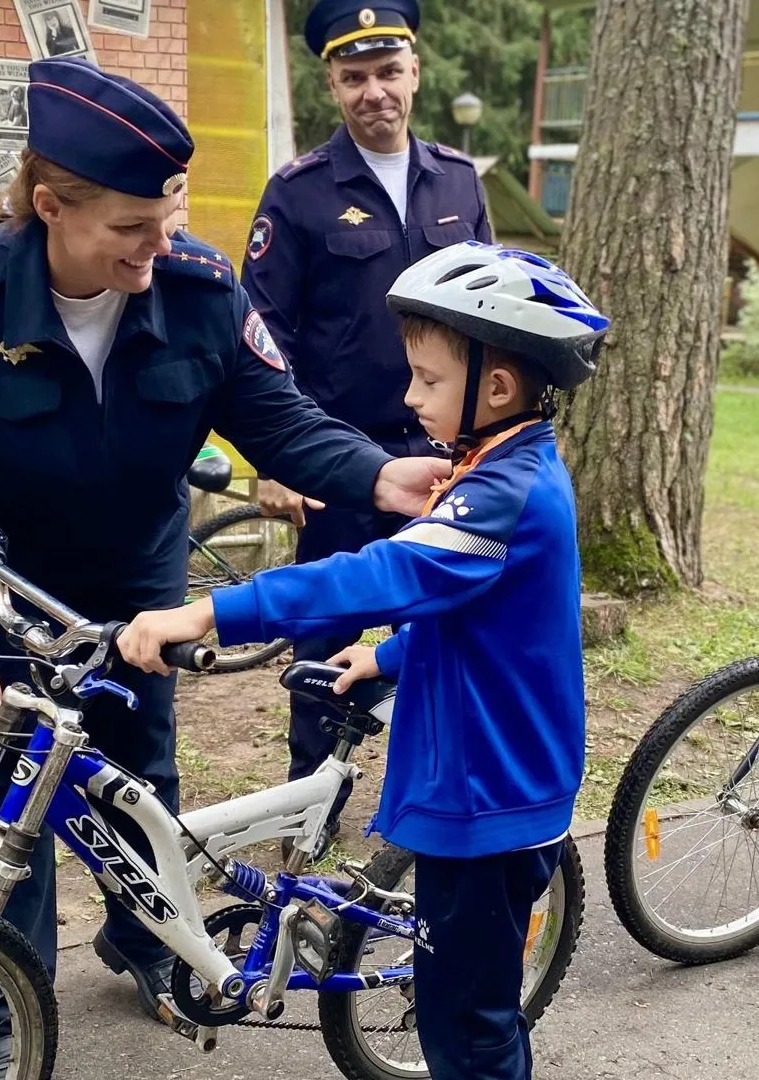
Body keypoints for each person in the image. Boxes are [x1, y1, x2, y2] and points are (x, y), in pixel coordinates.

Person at [0, 56, 451, 1073]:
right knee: (8, 812)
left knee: (140, 779)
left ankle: (149, 950)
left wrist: (380, 476)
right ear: (51, 208)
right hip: (7, 592)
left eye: (169, 212)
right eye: (131, 226)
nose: (159, 242)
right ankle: (4, 1017)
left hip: (134, 579)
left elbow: (281, 419)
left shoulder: (199, 289)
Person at [118, 241, 605, 1080]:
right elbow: (495, 623)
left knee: (470, 1033)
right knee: (460, 1008)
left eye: (427, 378)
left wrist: (208, 609)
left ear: (496, 385)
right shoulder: (498, 469)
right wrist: (390, 660)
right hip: (484, 785)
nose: (409, 396)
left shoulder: (502, 493)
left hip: (488, 808)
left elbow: (380, 575)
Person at [241, 0, 491, 855]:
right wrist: (278, 457)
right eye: (355, 77)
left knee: (442, 627)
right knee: (327, 635)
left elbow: (490, 315)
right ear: (332, 85)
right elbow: (260, 331)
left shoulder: (459, 179)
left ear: (415, 72)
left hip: (448, 454)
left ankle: (429, 800)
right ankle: (311, 812)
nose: (374, 92)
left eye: (389, 72)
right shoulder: (300, 191)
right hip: (340, 458)